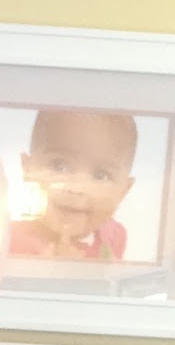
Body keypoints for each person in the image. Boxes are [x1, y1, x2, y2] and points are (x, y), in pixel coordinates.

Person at [8, 107, 137, 262]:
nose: (77, 188)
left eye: (100, 175)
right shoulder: (7, 240)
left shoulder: (114, 235)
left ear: (122, 192)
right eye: (59, 166)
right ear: (28, 169)